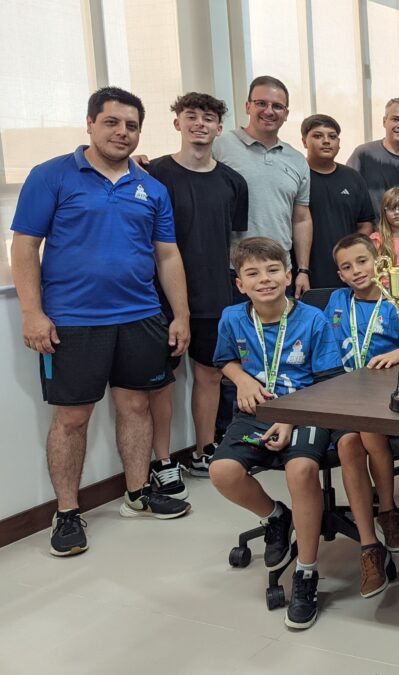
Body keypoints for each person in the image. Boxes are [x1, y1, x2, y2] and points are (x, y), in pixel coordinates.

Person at [12, 87, 194, 556]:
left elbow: (167, 255)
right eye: (112, 122)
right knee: (72, 418)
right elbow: (25, 246)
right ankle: (68, 513)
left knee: (136, 407)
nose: (122, 132)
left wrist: (180, 315)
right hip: (73, 322)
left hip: (140, 317)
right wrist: (32, 312)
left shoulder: (151, 188)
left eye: (131, 125)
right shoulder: (51, 175)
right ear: (90, 124)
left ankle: (136, 494)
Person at [208, 237, 343, 629]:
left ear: (288, 275)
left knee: (300, 470)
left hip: (308, 408)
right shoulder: (232, 318)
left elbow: (329, 381)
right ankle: (276, 517)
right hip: (255, 412)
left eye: (272, 271)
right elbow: (225, 360)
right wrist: (242, 380)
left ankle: (305, 573)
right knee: (223, 471)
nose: (264, 280)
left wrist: (291, 417)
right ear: (240, 284)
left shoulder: (312, 320)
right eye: (253, 273)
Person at [325, 234, 399, 597]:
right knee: (349, 442)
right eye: (347, 266)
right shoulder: (336, 300)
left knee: (362, 436)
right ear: (340, 275)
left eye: (362, 261)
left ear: (380, 260)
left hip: (382, 402)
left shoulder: (396, 301)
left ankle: (385, 517)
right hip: (341, 398)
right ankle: (371, 540)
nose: (356, 271)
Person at [145, 92, 249, 489]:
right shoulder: (153, 174)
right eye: (191, 117)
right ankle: (163, 460)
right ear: (178, 124)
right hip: (158, 299)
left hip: (214, 294)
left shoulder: (233, 182)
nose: (200, 124)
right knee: (161, 384)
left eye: (208, 118)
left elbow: (233, 241)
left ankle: (205, 449)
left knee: (208, 376)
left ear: (219, 129)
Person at [212, 75, 314, 297]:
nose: (269, 111)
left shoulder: (297, 160)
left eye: (277, 106)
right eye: (261, 103)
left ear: (286, 114)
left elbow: (301, 218)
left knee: (280, 332)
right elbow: (185, 165)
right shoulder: (219, 147)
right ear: (248, 106)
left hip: (280, 271)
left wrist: (302, 269)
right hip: (234, 271)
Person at [301, 114, 376, 289]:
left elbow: (365, 224)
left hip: (348, 273)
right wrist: (302, 270)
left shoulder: (353, 178)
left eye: (332, 136)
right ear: (304, 141)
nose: (326, 141)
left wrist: (354, 259)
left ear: (339, 143)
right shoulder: (297, 177)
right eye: (318, 136)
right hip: (307, 273)